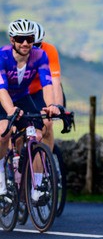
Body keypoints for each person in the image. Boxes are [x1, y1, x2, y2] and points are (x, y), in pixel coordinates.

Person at [0, 19, 61, 202]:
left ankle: (36, 188)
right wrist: (10, 110)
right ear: (12, 40)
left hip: (22, 97)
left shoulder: (40, 55)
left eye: (30, 38)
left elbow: (47, 84)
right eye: (21, 39)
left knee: (37, 135)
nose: (26, 43)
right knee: (4, 133)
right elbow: (2, 88)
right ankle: (1, 176)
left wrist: (50, 106)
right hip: (2, 98)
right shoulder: (2, 56)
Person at [29, 21, 66, 151]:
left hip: (38, 91)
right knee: (12, 130)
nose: (33, 48)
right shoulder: (16, 53)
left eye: (37, 45)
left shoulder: (49, 50)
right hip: (16, 92)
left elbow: (55, 81)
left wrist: (57, 107)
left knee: (47, 124)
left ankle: (46, 161)